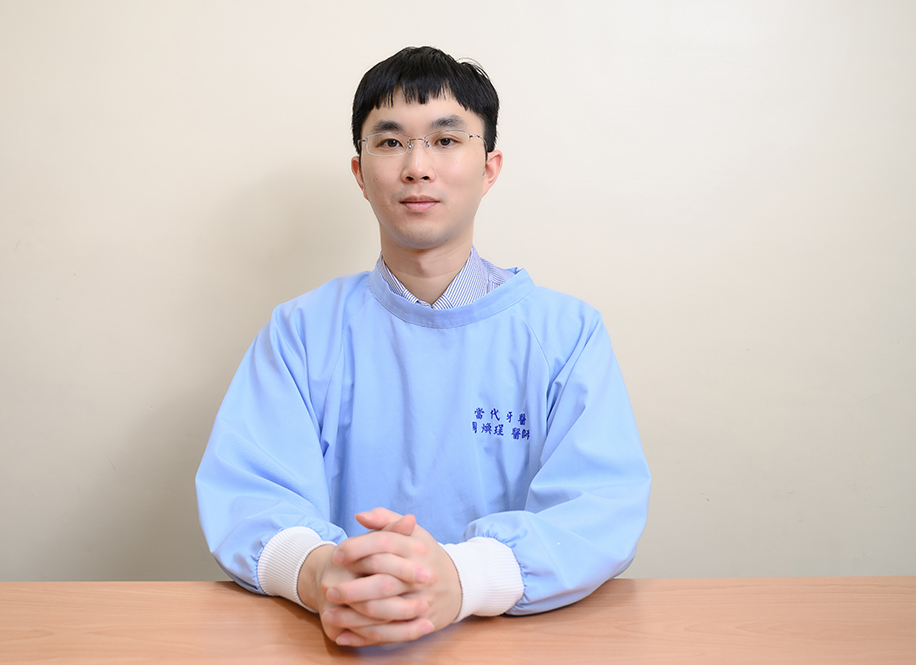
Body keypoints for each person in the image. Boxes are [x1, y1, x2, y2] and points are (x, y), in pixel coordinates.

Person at [195, 46, 651, 648]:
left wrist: (462, 580)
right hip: (341, 638)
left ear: (489, 168)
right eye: (390, 142)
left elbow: (599, 510)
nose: (417, 166)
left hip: (511, 643)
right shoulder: (300, 332)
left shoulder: (567, 335)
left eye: (445, 140)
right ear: (360, 174)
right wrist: (322, 575)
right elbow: (250, 497)